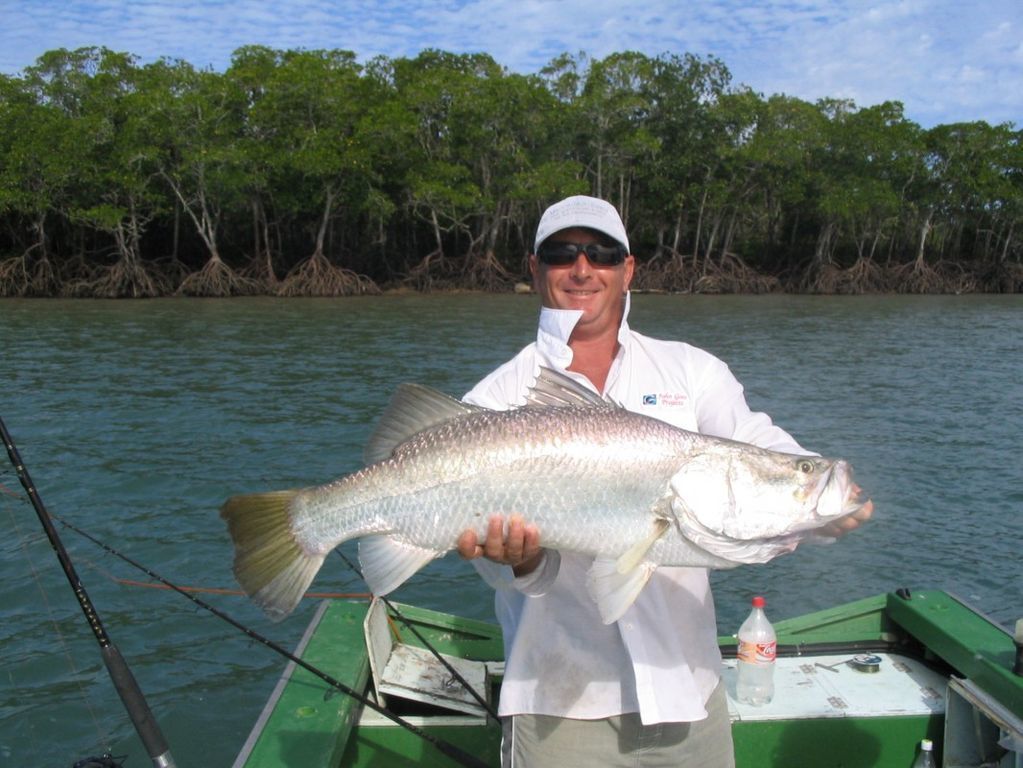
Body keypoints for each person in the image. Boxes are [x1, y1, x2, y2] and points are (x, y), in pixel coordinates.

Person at [456, 195, 872, 767]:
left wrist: (816, 492)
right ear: (534, 269)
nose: (583, 269)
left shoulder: (692, 371)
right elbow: (484, 558)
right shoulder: (494, 400)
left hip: (690, 694)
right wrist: (516, 561)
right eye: (562, 254)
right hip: (560, 708)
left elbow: (760, 447)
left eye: (602, 253)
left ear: (628, 270)